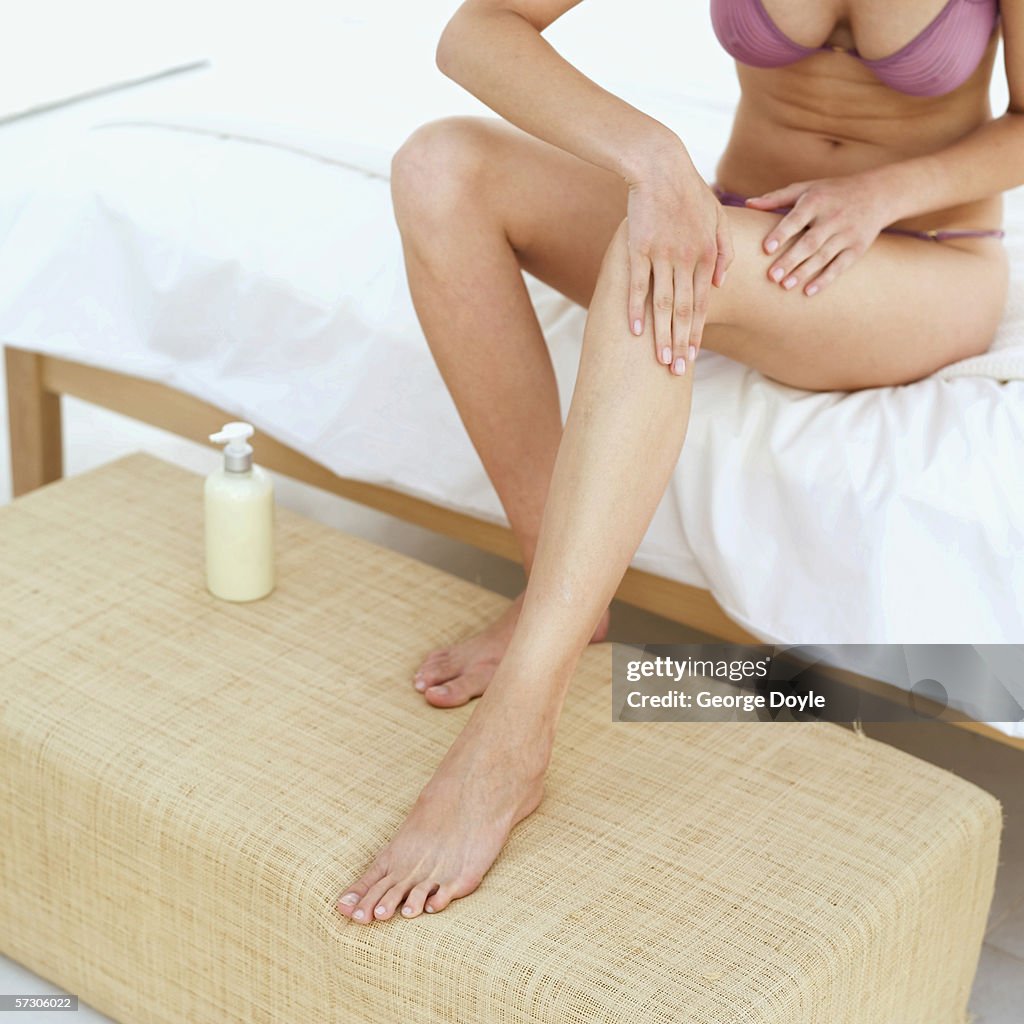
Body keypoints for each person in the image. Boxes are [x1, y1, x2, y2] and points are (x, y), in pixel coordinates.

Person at [336, 0, 1019, 924]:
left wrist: (881, 196)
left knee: (672, 262)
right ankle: (561, 598)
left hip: (919, 260)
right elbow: (477, 30)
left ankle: (513, 738)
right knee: (442, 166)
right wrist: (652, 157)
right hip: (739, 231)